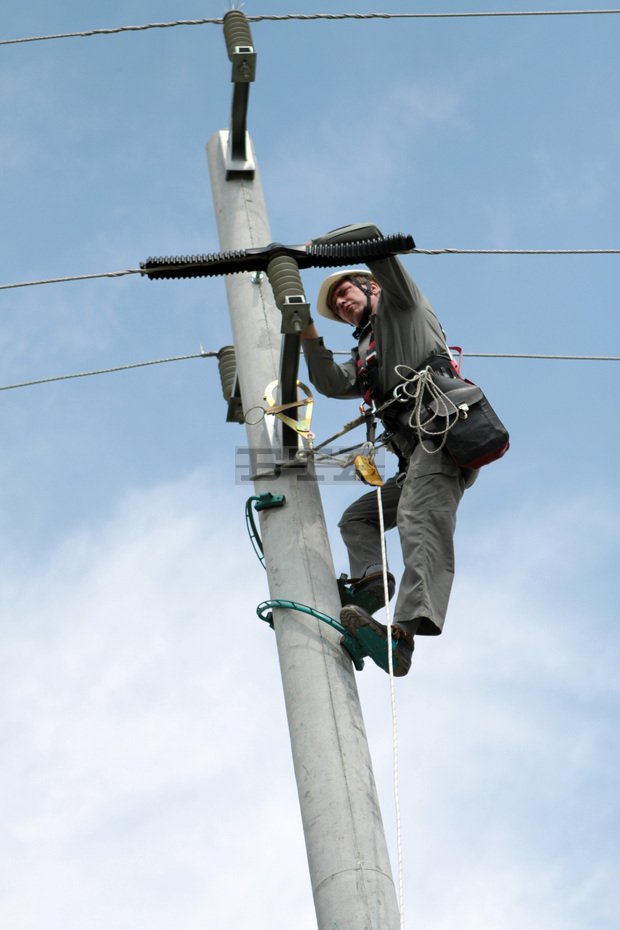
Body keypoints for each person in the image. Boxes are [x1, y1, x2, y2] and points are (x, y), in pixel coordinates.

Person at [301, 223, 478, 677]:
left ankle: (401, 638)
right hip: (415, 456)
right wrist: (304, 330)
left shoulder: (404, 306)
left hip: (442, 437)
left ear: (372, 287)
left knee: (421, 523)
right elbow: (328, 382)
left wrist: (331, 248)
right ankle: (372, 579)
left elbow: (378, 245)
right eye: (336, 305)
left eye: (346, 291)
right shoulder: (367, 355)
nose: (342, 303)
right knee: (359, 517)